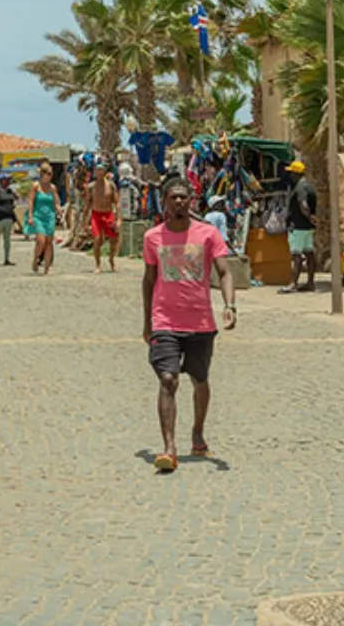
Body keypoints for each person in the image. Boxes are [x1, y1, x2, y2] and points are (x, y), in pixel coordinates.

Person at [142, 179, 235, 473]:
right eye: (174, 198)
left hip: (200, 322)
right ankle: (169, 449)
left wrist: (229, 306)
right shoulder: (153, 237)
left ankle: (197, 432)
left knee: (199, 379)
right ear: (165, 202)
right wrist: (147, 322)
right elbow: (148, 280)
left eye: (184, 197)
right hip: (165, 321)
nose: (179, 202)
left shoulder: (208, 235)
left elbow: (225, 272)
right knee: (168, 379)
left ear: (192, 199)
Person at [278, 159, 318, 294]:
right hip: (307, 228)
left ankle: (293, 283)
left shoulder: (300, 187)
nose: (290, 176)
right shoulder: (309, 186)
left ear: (296, 174)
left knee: (296, 256)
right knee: (309, 253)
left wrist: (308, 216)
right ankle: (310, 282)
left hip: (298, 226)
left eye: (291, 173)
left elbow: (303, 204)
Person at [27, 167, 60, 274]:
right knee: (41, 240)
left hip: (50, 216)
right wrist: (30, 216)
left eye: (51, 174)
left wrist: (58, 209)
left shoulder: (52, 188)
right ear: (43, 174)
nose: (50, 176)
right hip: (38, 216)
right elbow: (31, 201)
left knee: (49, 242)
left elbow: (56, 201)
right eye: (48, 174)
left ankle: (47, 267)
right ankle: (35, 259)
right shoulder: (36, 186)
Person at [88, 165, 120, 273]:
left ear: (105, 173)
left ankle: (111, 259)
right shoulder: (91, 186)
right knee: (97, 239)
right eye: (97, 171)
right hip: (96, 214)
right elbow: (87, 204)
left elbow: (117, 203)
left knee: (114, 239)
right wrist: (84, 222)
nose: (99, 174)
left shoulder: (111, 185)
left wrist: (119, 219)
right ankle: (97, 264)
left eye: (101, 171)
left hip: (108, 214)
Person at [0, 174, 20, 266]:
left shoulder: (10, 191)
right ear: (0, 181)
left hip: (8, 219)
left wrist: (15, 202)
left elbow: (17, 199)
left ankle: (7, 259)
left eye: (8, 180)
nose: (7, 182)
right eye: (5, 180)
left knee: (7, 241)